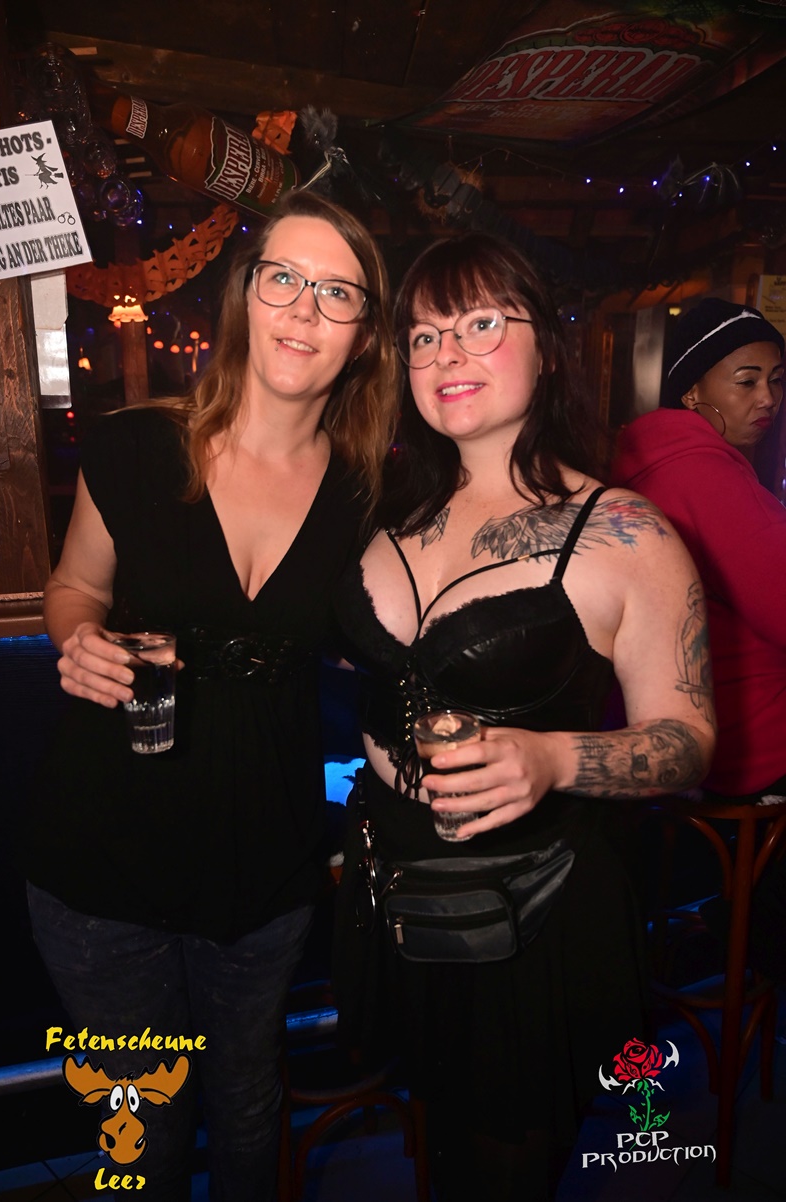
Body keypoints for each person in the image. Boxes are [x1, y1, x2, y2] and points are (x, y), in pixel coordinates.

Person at [24, 189, 398, 1202]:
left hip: (262, 858)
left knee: (245, 1100)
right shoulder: (135, 448)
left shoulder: (371, 494)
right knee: (143, 1117)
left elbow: (394, 638)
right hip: (102, 853)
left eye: (337, 293)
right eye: (284, 278)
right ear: (244, 296)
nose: (304, 309)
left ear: (365, 335)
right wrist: (77, 638)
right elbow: (74, 586)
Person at [332, 232, 716, 1201]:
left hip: (532, 910)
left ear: (546, 347)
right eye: (423, 336)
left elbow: (688, 741)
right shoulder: (381, 511)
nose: (446, 354)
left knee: (504, 1164)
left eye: (479, 324)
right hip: (391, 886)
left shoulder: (624, 532)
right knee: (433, 1140)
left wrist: (552, 757)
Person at [612, 297, 786, 980]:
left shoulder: (651, 459)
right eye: (746, 380)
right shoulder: (703, 473)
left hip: (676, 726)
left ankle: (731, 927)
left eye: (776, 380)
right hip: (747, 740)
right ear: (691, 390)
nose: (767, 398)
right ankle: (748, 937)